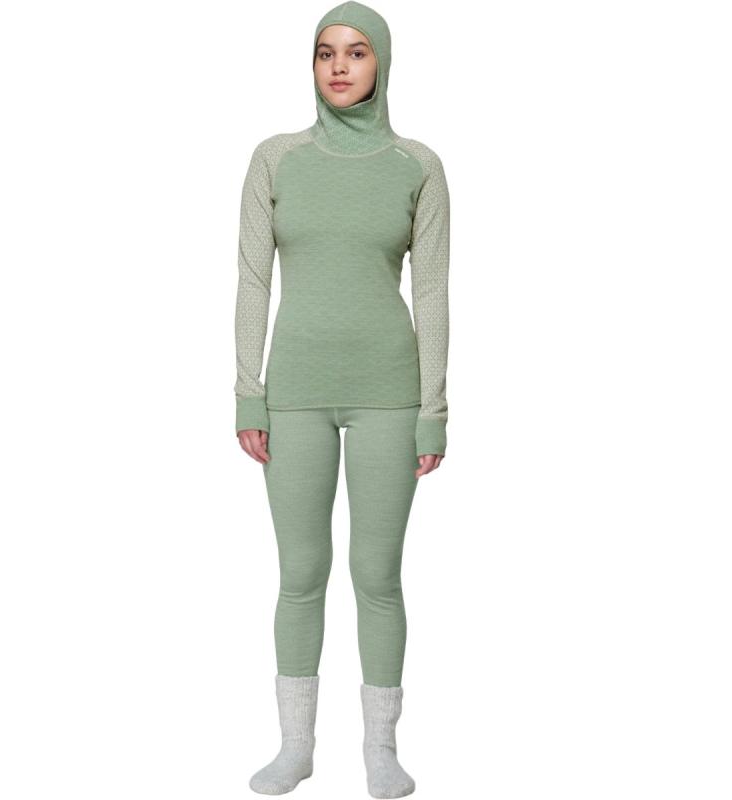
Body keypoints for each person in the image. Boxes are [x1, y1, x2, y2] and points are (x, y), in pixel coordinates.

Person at [233, 2, 450, 796]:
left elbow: (432, 291)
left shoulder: (417, 165)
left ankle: (381, 751)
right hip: (294, 393)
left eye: (357, 52)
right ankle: (296, 748)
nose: (339, 66)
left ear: (381, 64)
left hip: (389, 391)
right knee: (300, 572)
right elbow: (252, 281)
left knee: (377, 574)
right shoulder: (275, 159)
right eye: (326, 52)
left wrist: (433, 409)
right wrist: (248, 394)